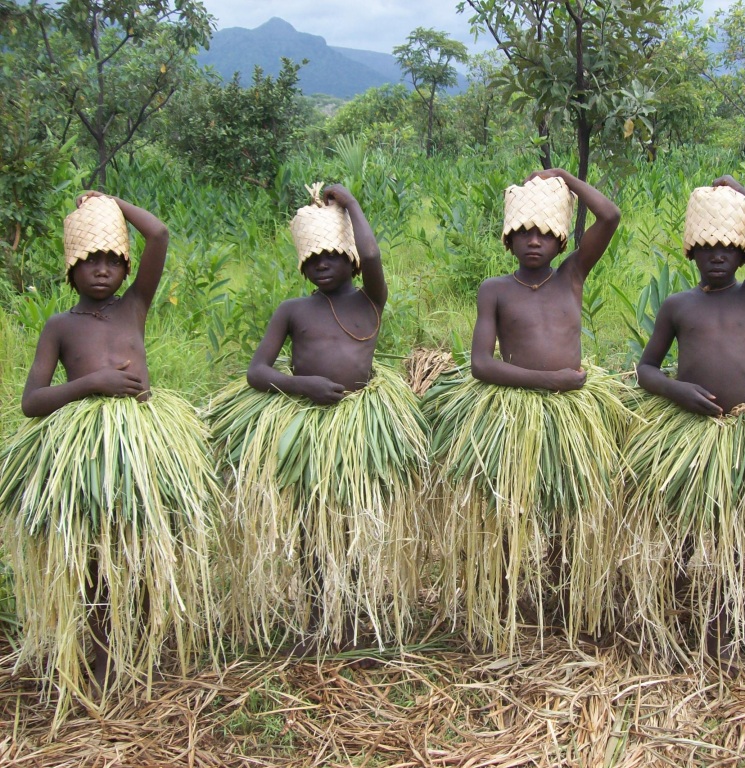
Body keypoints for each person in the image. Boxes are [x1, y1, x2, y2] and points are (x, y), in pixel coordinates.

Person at [0, 192, 219, 720]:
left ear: (125, 270)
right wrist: (92, 382)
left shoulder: (133, 307)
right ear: (71, 270)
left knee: (140, 550)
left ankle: (140, 651)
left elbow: (160, 235)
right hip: (86, 453)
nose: (102, 271)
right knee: (97, 557)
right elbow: (33, 402)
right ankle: (99, 657)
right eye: (90, 262)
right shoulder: (60, 326)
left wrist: (114, 204)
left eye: (112, 262)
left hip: (140, 442)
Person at [208, 183, 427, 656]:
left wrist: (350, 204)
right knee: (313, 524)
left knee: (352, 521)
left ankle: (349, 614)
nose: (321, 265)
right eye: (312, 259)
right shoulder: (292, 310)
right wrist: (301, 385)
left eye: (331, 254)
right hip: (307, 427)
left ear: (348, 257)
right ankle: (315, 612)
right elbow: (256, 372)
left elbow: (372, 254)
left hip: (357, 428)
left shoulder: (369, 299)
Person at [424, 168, 629, 653]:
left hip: (570, 415)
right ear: (509, 239)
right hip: (512, 412)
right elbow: (480, 364)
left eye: (544, 233)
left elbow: (610, 215)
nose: (533, 242)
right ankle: (506, 593)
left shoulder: (572, 276)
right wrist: (549, 382)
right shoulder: (494, 289)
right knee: (511, 507)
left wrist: (565, 180)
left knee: (567, 505)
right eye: (523, 233)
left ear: (560, 241)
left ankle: (560, 591)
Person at [624, 176, 745, 669]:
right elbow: (646, 370)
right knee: (687, 529)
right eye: (707, 246)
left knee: (738, 532)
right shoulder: (678, 306)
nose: (717, 254)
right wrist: (677, 390)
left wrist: (737, 190)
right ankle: (682, 617)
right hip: (690, 432)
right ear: (692, 253)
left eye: (728, 246)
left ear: (743, 255)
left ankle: (732, 621)